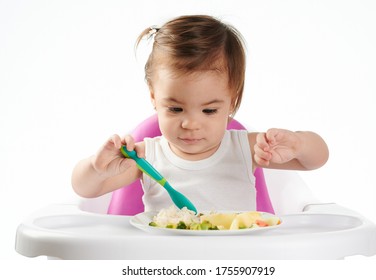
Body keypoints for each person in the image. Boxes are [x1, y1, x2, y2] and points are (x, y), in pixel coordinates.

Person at [72, 15, 329, 212]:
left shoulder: (247, 148)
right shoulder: (146, 159)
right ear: (154, 97)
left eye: (209, 110)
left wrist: (298, 144)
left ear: (232, 101)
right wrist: (98, 168)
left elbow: (316, 159)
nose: (191, 124)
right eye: (175, 108)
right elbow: (85, 188)